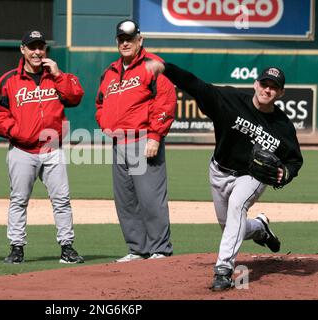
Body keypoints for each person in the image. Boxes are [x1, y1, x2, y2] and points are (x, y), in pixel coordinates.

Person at [145, 60, 303, 291]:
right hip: (219, 170)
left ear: (280, 92)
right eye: (264, 84)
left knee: (237, 207)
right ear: (255, 83)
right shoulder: (230, 101)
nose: (267, 90)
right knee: (229, 224)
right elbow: (195, 85)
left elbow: (295, 160)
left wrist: (285, 173)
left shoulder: (283, 126)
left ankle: (223, 270)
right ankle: (260, 228)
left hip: (252, 176)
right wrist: (165, 68)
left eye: (273, 87)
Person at [0, 30, 85, 264]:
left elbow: (75, 97)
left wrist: (59, 74)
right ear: (22, 50)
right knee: (19, 200)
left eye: (40, 47)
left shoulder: (57, 77)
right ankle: (17, 248)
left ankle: (67, 247)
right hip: (22, 150)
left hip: (52, 149)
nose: (37, 52)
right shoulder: (9, 80)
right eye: (31, 47)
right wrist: (16, 132)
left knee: (61, 200)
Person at [95, 20, 177, 262]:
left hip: (143, 140)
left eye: (130, 39)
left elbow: (165, 101)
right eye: (121, 39)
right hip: (118, 142)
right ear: (117, 42)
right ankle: (138, 249)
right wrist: (105, 123)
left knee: (151, 198)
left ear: (140, 40)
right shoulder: (110, 71)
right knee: (126, 200)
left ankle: (160, 249)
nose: (125, 43)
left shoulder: (153, 65)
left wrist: (155, 136)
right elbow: (100, 103)